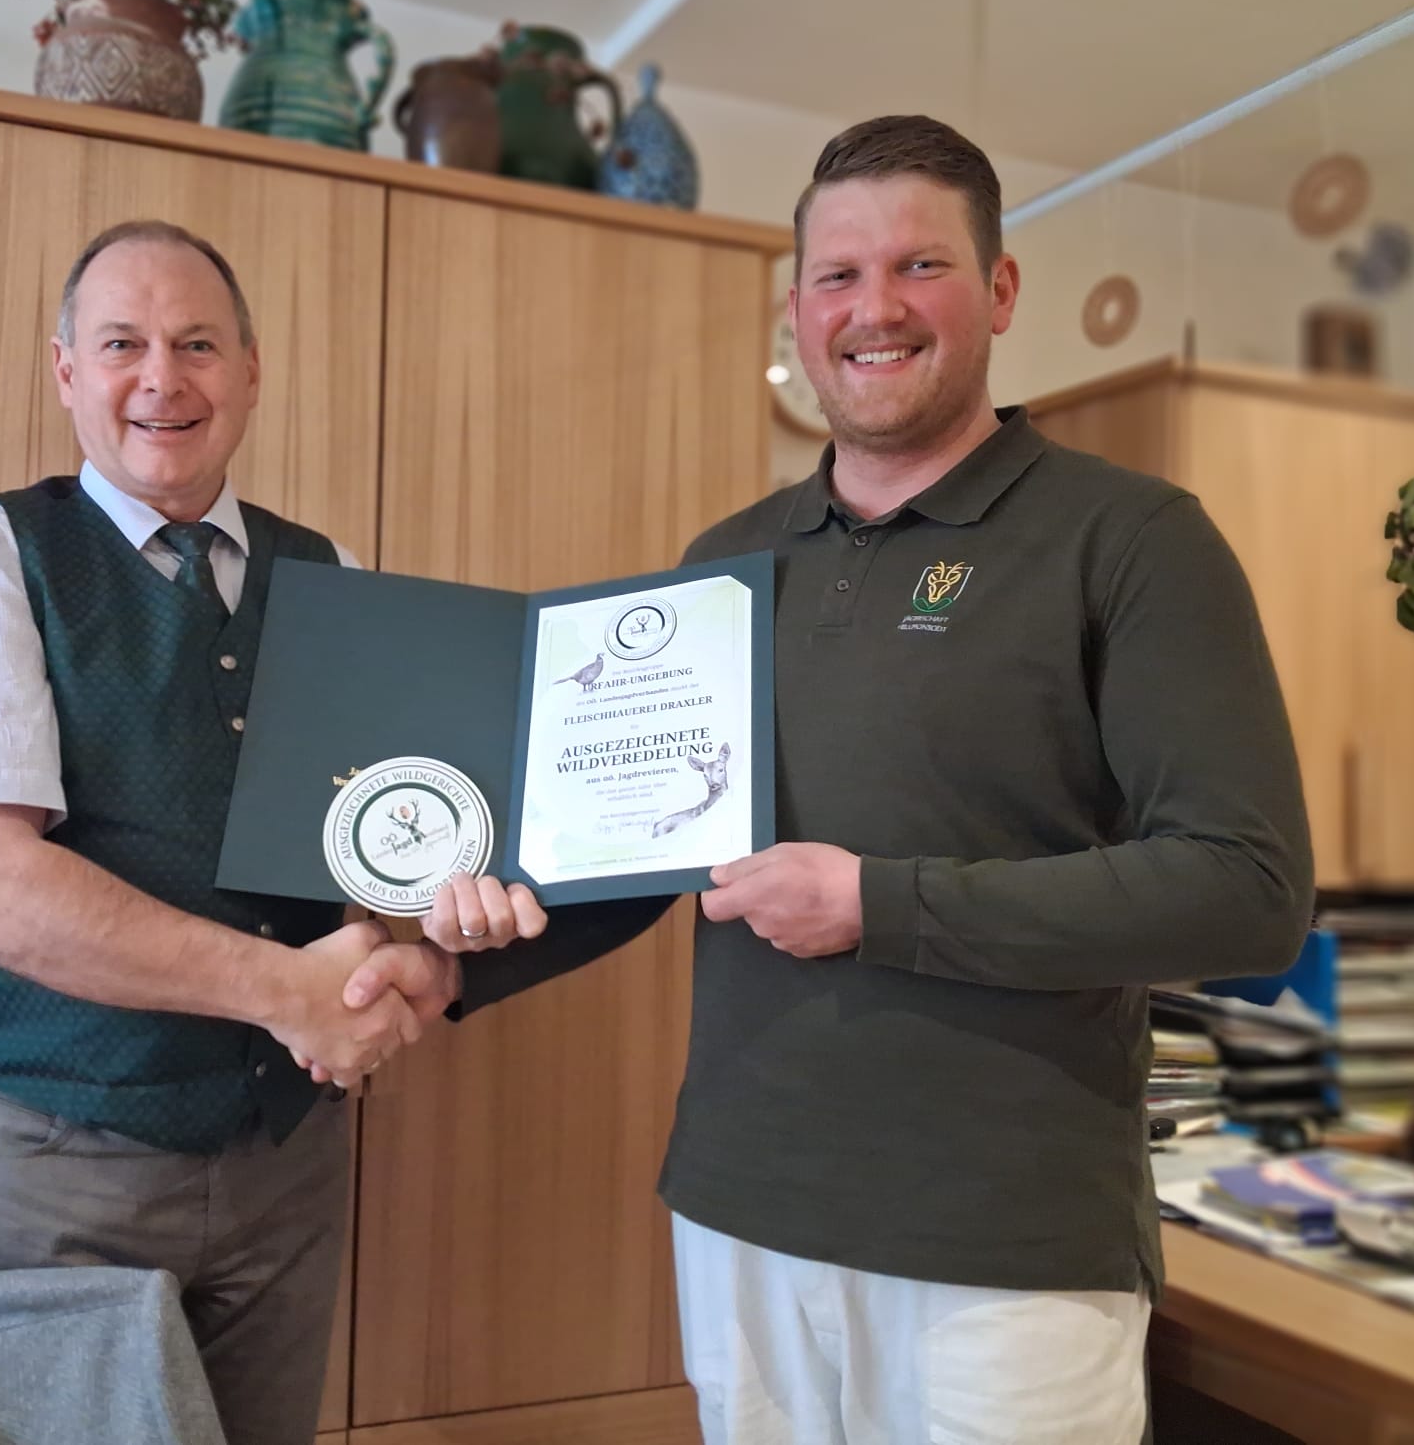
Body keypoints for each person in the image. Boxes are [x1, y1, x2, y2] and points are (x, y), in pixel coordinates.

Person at [348, 116, 1315, 1444]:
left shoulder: (1133, 539)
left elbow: (1247, 890)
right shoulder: (726, 562)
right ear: (799, 312)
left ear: (999, 291)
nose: (875, 309)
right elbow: (651, 855)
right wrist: (451, 966)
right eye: (838, 276)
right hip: (742, 1214)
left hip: (1007, 1246)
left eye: (920, 266)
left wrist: (879, 903)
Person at [0, 219, 452, 1445]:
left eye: (197, 345)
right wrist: (289, 993)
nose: (161, 379)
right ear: (65, 371)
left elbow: (383, 853)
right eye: (121, 344)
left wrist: (431, 936)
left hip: (287, 1159)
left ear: (249, 370)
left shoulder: (335, 574)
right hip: (53, 1171)